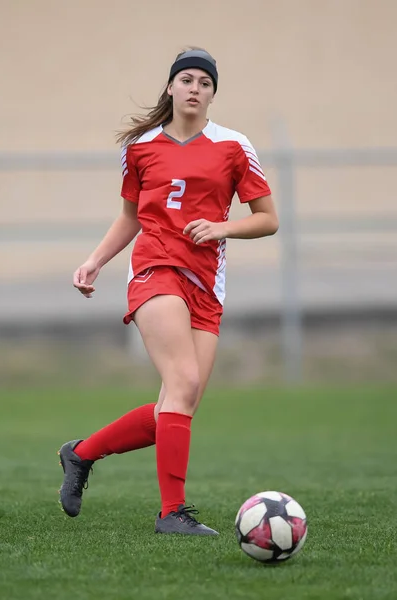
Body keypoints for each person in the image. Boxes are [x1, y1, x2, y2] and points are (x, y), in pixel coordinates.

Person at [58, 47, 279, 536]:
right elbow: (131, 218)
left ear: (212, 93)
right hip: (155, 270)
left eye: (204, 81)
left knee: (178, 404)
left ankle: (81, 454)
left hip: (206, 285)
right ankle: (171, 513)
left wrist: (222, 229)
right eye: (187, 79)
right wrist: (94, 262)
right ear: (171, 88)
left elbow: (268, 220)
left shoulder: (234, 146)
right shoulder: (139, 146)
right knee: (181, 381)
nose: (195, 88)